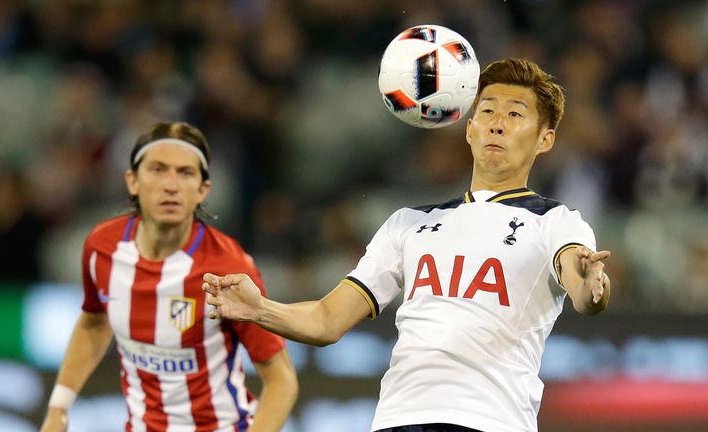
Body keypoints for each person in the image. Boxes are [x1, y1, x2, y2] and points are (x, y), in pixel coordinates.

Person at [202, 58, 612, 432]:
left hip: (489, 422)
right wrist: (260, 309)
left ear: (545, 140)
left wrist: (590, 284)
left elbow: (580, 282)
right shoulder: (409, 223)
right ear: (469, 129)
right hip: (398, 421)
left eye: (515, 114)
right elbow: (327, 321)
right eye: (486, 111)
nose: (497, 123)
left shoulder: (556, 221)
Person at [41, 122, 298, 432]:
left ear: (204, 190)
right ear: (132, 181)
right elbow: (94, 323)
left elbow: (281, 379)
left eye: (186, 173)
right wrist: (59, 407)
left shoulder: (228, 266)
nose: (171, 185)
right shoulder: (102, 248)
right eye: (158, 169)